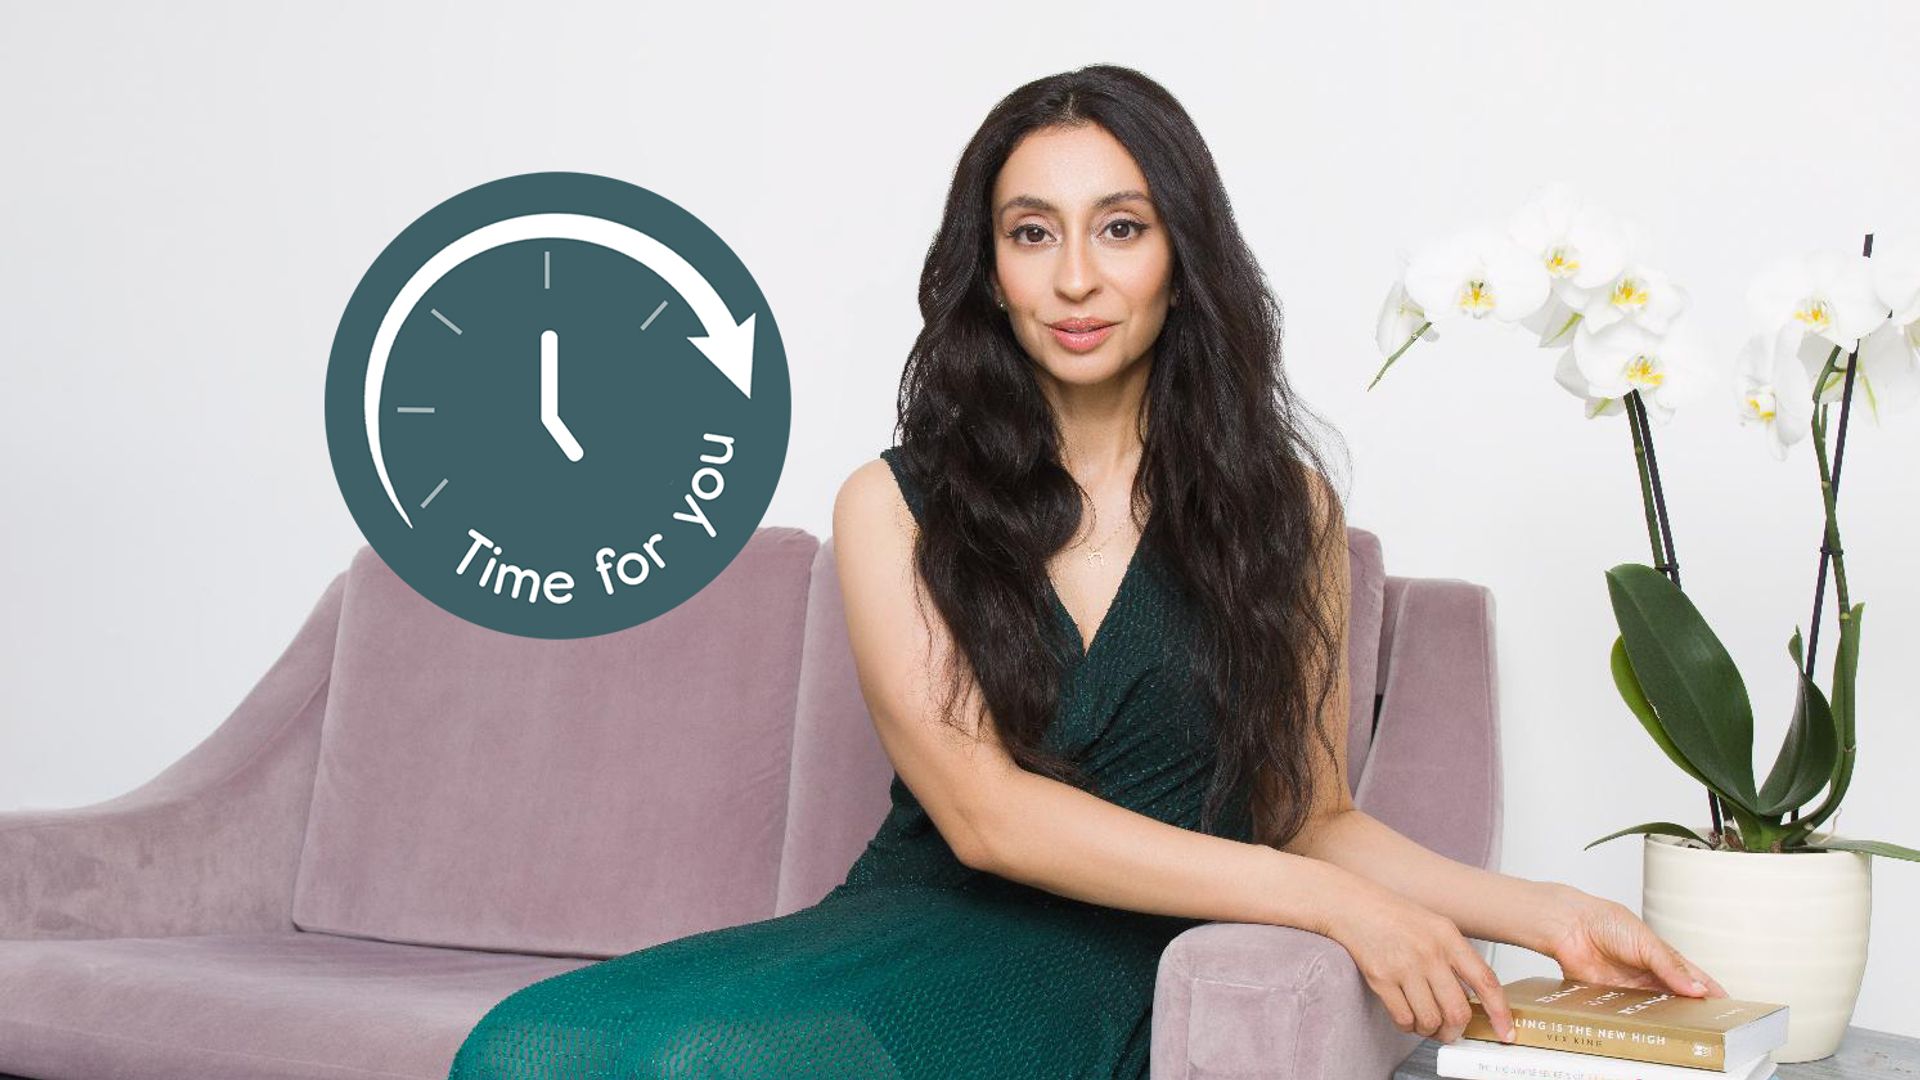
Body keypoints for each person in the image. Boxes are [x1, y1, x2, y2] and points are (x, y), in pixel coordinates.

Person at [447, 63, 1727, 1080]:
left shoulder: (1286, 509)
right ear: (989, 271)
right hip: (914, 918)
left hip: (1123, 954)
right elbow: (986, 819)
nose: (1075, 277)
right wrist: (1329, 907)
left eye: (1121, 228)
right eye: (1031, 233)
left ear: (1183, 257)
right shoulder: (894, 505)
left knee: (704, 1066)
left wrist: (1543, 912)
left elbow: (1310, 814)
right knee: (528, 1045)